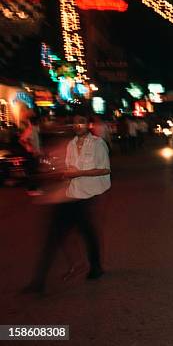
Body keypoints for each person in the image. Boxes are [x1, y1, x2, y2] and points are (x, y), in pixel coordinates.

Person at [24, 114, 111, 293]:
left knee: (74, 235)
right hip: (64, 200)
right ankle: (41, 280)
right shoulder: (60, 147)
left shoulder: (73, 146)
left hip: (72, 200)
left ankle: (40, 281)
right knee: (82, 233)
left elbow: (76, 171)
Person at [19, 116, 43, 196]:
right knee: (32, 171)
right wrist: (30, 148)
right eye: (39, 121)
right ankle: (31, 189)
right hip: (31, 154)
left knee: (34, 171)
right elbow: (22, 140)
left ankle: (33, 188)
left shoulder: (35, 129)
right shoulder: (30, 130)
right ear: (35, 122)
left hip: (34, 153)